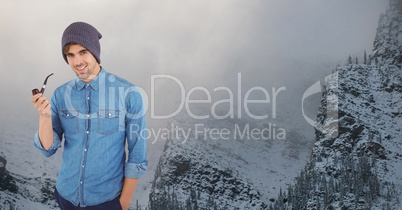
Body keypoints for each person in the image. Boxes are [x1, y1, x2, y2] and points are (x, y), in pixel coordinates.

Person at [31, 22, 147, 210]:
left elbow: (137, 154)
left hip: (107, 202)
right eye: (70, 55)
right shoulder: (61, 94)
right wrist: (44, 117)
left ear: (95, 52)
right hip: (66, 196)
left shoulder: (129, 93)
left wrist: (123, 204)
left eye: (83, 52)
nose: (77, 62)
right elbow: (47, 149)